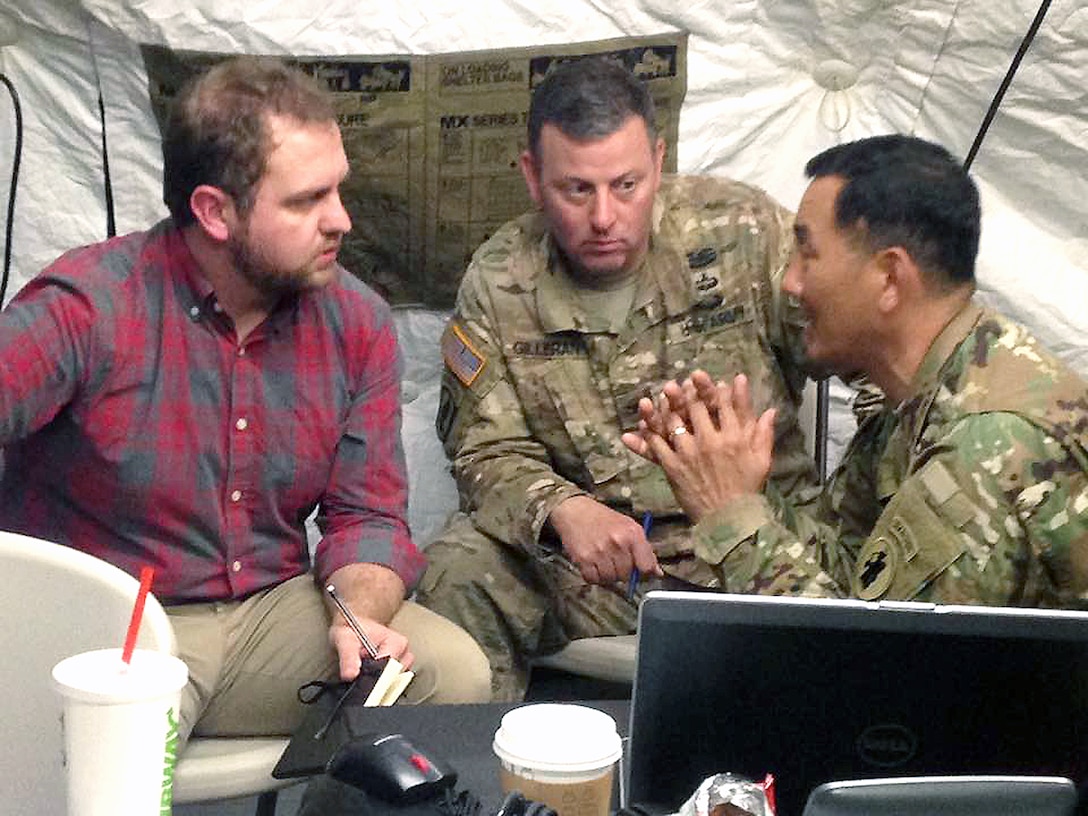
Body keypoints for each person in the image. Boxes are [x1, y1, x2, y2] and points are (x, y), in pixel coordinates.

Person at [0, 56, 490, 747]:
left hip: (270, 612)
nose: (341, 221)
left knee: (453, 675)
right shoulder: (91, 306)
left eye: (338, 191)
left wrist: (361, 620)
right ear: (214, 212)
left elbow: (366, 514)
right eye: (305, 201)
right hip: (121, 621)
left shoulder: (358, 323)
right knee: (119, 751)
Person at [415, 56, 819, 700]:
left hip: (758, 551)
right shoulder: (501, 278)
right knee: (458, 568)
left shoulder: (741, 232)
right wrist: (562, 508)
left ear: (659, 162)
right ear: (532, 176)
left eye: (627, 185)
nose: (604, 217)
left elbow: (862, 349)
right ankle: (490, 782)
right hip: (599, 575)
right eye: (577, 190)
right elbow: (483, 448)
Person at [623, 134, 1088, 605]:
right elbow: (854, 578)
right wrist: (734, 484)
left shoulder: (985, 443)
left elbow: (869, 664)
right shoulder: (920, 395)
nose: (791, 283)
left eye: (808, 255)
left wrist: (729, 514)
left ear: (889, 277)